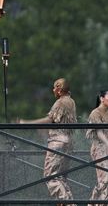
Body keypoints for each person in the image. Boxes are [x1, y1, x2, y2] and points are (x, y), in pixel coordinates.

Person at [19, 78, 77, 206]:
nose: (53, 90)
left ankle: (69, 204)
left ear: (59, 89)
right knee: (60, 178)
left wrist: (26, 123)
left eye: (54, 88)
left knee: (50, 177)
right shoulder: (71, 101)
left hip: (58, 142)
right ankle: (66, 203)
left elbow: (49, 120)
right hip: (68, 142)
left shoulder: (61, 102)